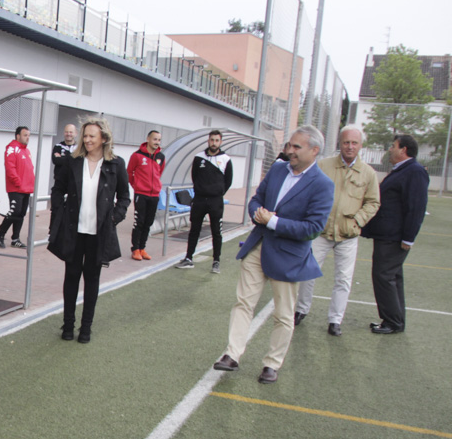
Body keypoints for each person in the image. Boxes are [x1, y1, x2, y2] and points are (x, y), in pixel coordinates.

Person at [212, 126, 334, 384]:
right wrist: (257, 212)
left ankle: (272, 364)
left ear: (314, 151)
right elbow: (256, 199)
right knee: (243, 302)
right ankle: (232, 354)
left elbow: (313, 228)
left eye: (297, 147)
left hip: (288, 257)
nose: (290, 151)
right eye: (290, 145)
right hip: (258, 247)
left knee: (283, 314)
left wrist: (273, 221)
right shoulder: (279, 169)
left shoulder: (323, 185)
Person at [47, 118, 131, 344]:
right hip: (74, 230)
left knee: (92, 280)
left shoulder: (116, 164)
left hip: (99, 233)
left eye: (92, 136)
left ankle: (86, 328)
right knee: (71, 277)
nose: (87, 139)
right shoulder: (72, 162)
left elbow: (124, 196)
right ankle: (68, 325)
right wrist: (59, 214)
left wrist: (114, 217)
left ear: (103, 138)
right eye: (85, 135)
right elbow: (57, 190)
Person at [294, 125, 381, 336]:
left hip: (348, 235)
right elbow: (308, 190)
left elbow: (373, 202)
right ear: (339, 144)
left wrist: (357, 221)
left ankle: (335, 320)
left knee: (343, 279)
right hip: (321, 233)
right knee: (308, 273)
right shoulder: (323, 166)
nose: (350, 147)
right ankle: (301, 310)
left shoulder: (368, 173)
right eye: (346, 142)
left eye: (354, 143)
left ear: (360, 145)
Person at [361, 134, 428, 334]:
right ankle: (395, 320)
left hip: (394, 237)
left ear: (403, 150)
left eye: (393, 146)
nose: (390, 149)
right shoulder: (403, 170)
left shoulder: (414, 172)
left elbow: (416, 207)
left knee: (383, 276)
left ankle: (392, 322)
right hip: (388, 236)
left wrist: (408, 238)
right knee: (392, 277)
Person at [175, 130, 233, 274]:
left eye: (216, 140)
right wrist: (202, 191)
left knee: (216, 232)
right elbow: (195, 176)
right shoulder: (198, 158)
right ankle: (188, 258)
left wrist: (217, 192)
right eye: (211, 140)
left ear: (220, 142)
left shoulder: (226, 159)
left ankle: (216, 261)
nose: (214, 143)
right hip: (200, 200)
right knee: (194, 230)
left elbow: (228, 181)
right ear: (208, 141)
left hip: (215, 202)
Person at [127, 130, 166, 260]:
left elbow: (159, 174)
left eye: (159, 140)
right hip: (141, 195)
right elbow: (129, 173)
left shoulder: (161, 156)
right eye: (155, 139)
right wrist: (137, 186)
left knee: (148, 223)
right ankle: (135, 249)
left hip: (154, 195)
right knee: (139, 222)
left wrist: (154, 187)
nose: (157, 142)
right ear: (148, 139)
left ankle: (142, 248)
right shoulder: (137, 155)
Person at [0, 126, 34, 249]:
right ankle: (0, 234)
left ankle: (15, 239)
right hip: (16, 188)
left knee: (21, 213)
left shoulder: (26, 151)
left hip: (26, 188)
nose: (27, 138)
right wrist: (18, 182)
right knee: (15, 211)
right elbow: (10, 167)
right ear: (18, 136)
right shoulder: (12, 148)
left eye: (28, 135)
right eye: (25, 135)